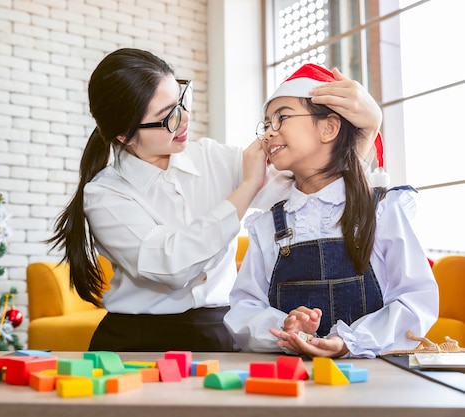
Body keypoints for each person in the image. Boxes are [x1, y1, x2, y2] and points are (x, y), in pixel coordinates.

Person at [48, 48, 383, 352]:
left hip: (219, 332)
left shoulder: (211, 156)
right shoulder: (105, 194)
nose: (185, 119)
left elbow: (313, 185)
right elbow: (172, 265)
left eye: (181, 101)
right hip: (136, 340)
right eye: (168, 117)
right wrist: (247, 187)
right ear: (124, 135)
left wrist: (368, 131)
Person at [223, 63, 439, 358]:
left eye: (281, 117)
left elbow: (416, 301)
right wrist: (285, 327)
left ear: (328, 128)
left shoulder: (381, 211)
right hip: (293, 382)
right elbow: (244, 309)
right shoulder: (268, 226)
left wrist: (351, 341)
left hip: (376, 378)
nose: (268, 134)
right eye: (266, 124)